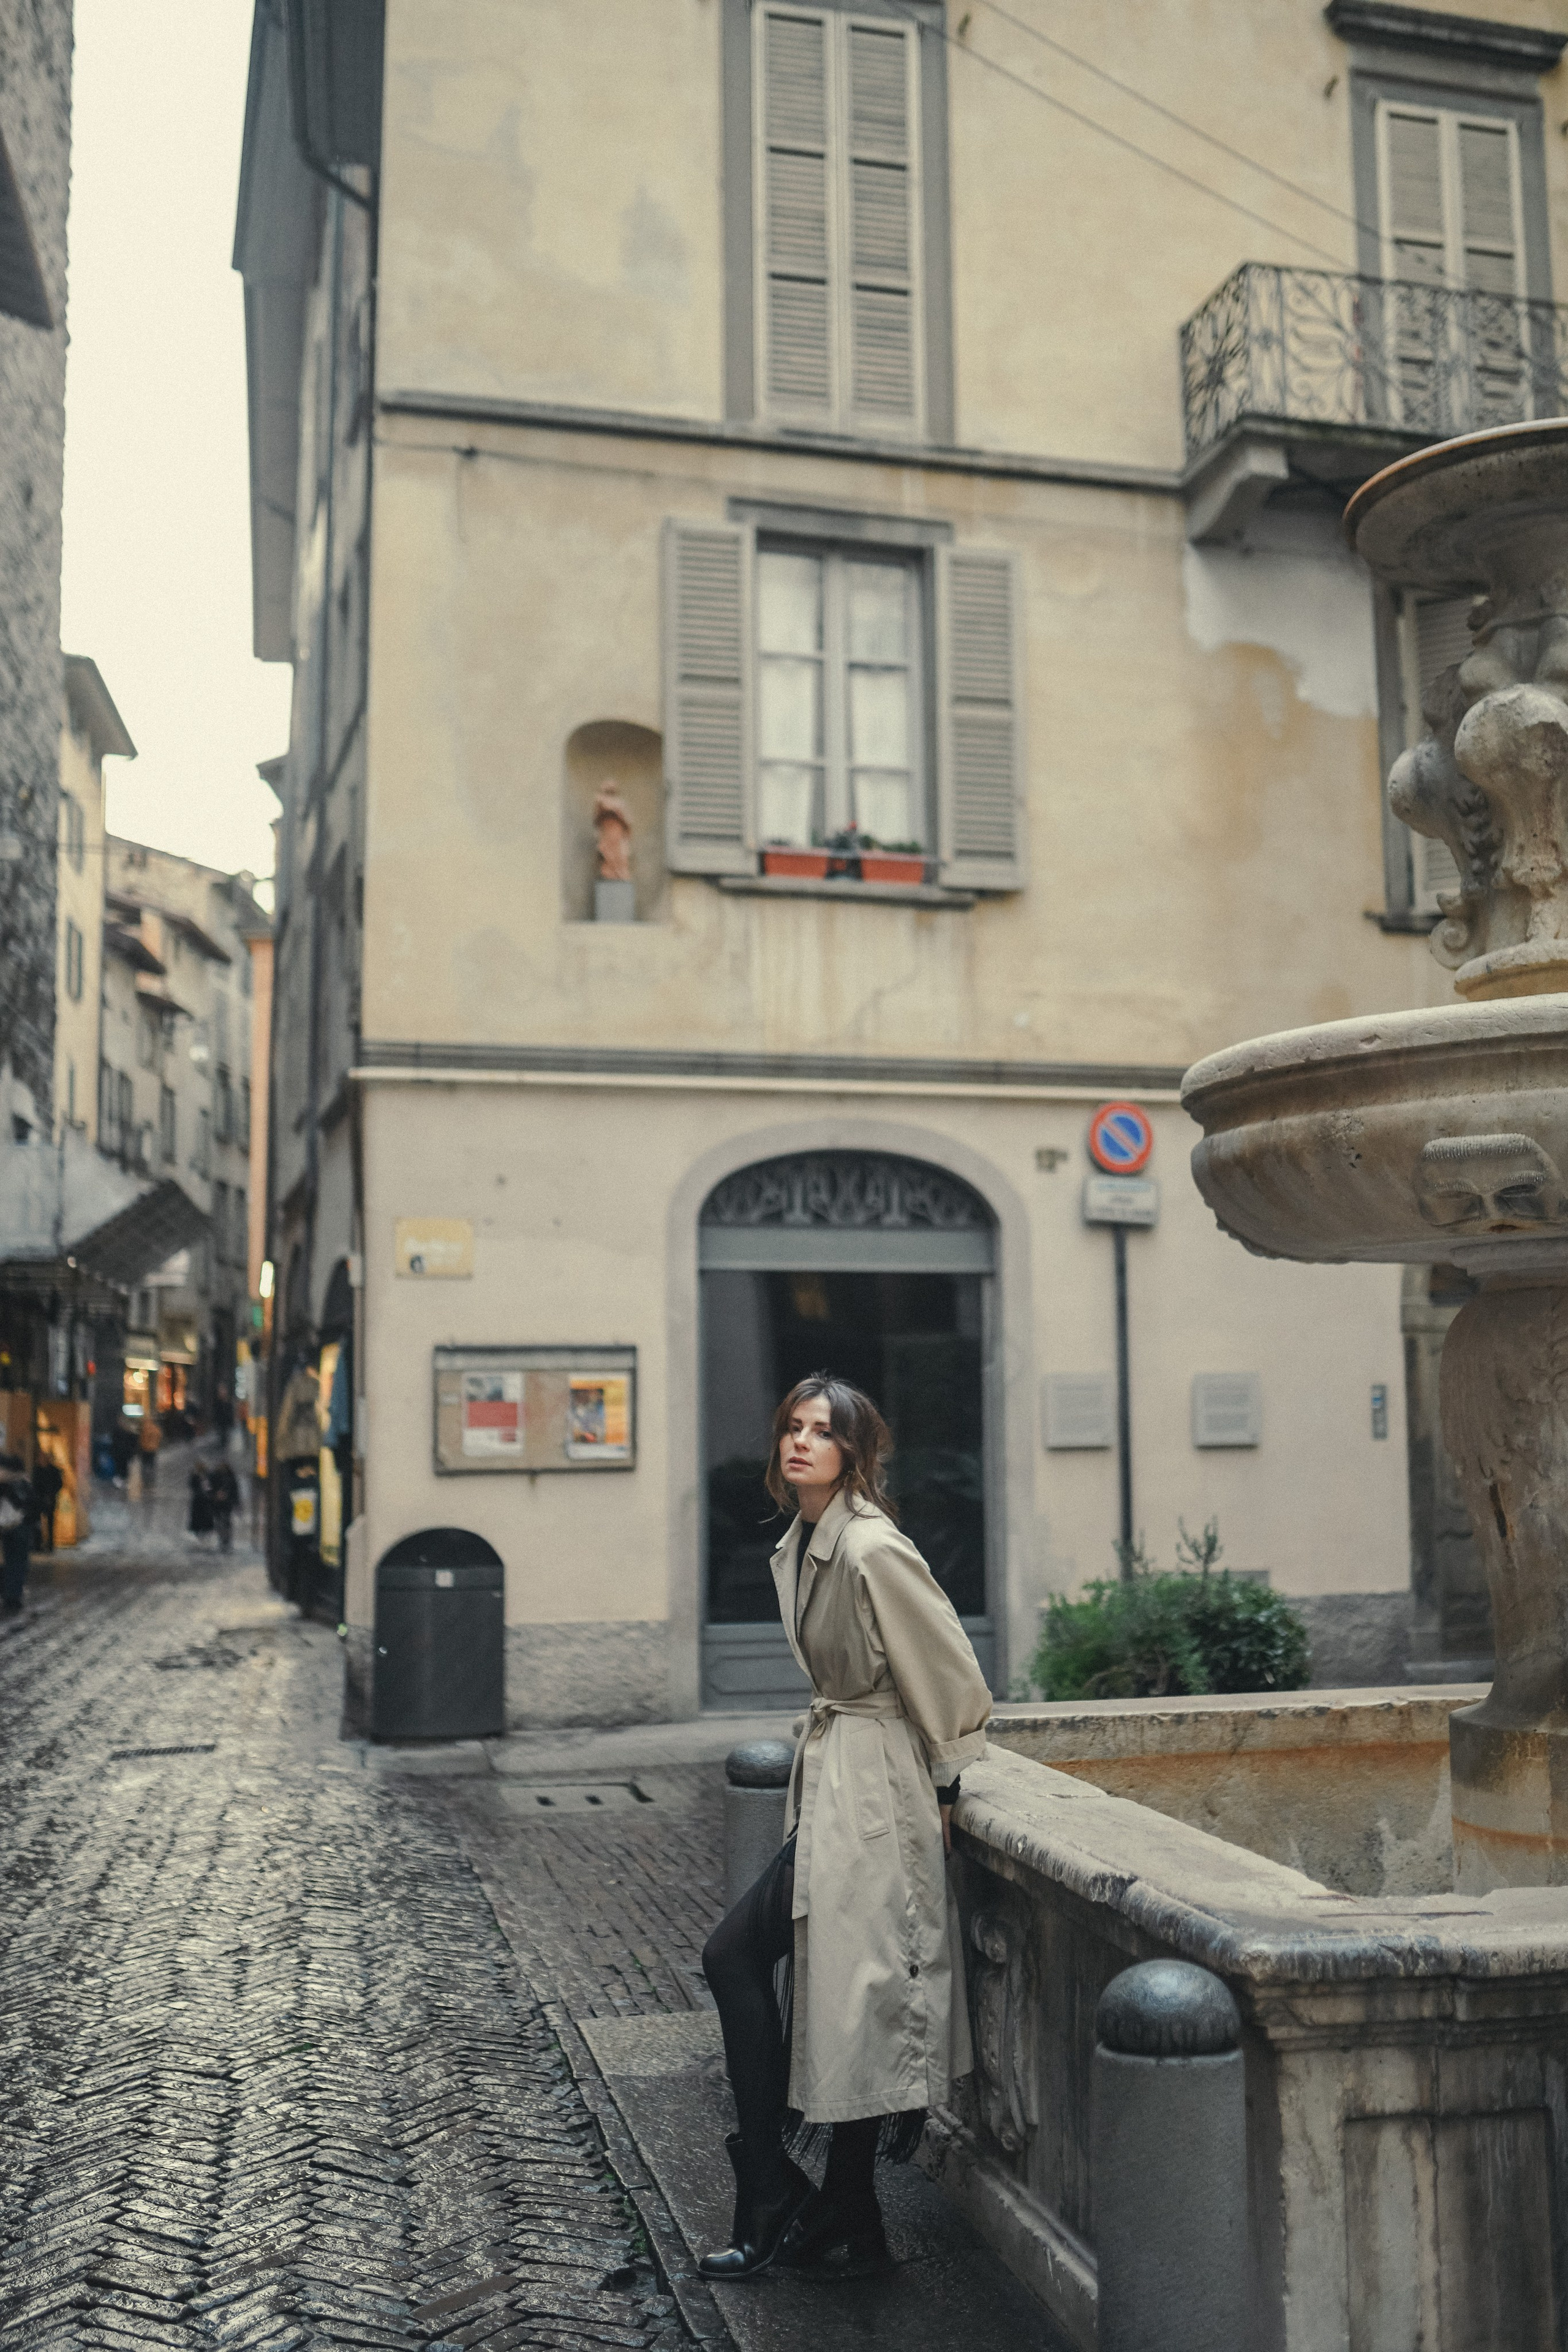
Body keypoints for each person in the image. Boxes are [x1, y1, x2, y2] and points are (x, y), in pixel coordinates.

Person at [698, 1374, 991, 2282]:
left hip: (875, 1795)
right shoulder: (806, 1538)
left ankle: (773, 2193)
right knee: (845, 1993)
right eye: (792, 1427)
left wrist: (946, 1788)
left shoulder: (870, 1548)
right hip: (836, 1780)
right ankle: (847, 2209)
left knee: (747, 1959)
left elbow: (951, 1674)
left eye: (822, 1433)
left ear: (854, 1453)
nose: (800, 1443)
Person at [0, 1452, 36, 1613]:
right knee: (19, 1562)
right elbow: (33, 1505)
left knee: (11, 1561)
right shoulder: (23, 1484)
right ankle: (13, 1595)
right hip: (21, 1527)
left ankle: (11, 1594)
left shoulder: (7, 1485)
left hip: (8, 1527)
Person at [31, 1453, 64, 1551]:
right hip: (40, 1500)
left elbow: (59, 1484)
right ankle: (38, 1544)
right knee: (38, 1523)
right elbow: (35, 1484)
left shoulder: (53, 1471)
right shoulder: (37, 1471)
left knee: (50, 1523)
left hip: (50, 1499)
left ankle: (50, 1545)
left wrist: (51, 1494)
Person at [208, 1457, 239, 1553]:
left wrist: (229, 1497)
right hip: (217, 1504)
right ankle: (222, 1540)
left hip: (227, 1504)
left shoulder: (230, 1476)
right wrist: (215, 1495)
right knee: (218, 1522)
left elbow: (235, 1490)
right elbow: (209, 1488)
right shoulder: (214, 1476)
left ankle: (226, 1541)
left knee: (226, 1522)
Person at [188, 1461, 214, 1544]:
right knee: (198, 1518)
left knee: (206, 1518)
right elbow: (192, 1486)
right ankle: (198, 1533)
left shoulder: (208, 1475)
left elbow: (211, 1486)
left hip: (206, 1501)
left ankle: (205, 1532)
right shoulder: (195, 1476)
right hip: (198, 1501)